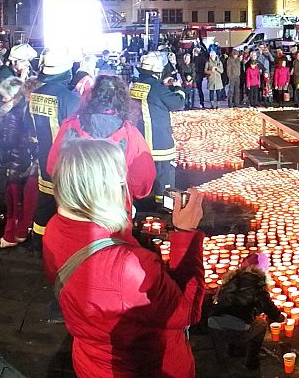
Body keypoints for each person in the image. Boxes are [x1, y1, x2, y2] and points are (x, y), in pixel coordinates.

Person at [42, 138, 206, 378]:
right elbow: (185, 311)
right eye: (122, 180)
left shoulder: (55, 229)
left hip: (91, 362)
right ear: (107, 189)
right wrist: (185, 235)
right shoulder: (128, 266)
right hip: (144, 367)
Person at [48, 75, 155, 215]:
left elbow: (52, 167)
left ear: (91, 97)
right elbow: (142, 182)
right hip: (112, 214)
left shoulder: (70, 126)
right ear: (122, 101)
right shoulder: (130, 134)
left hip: (73, 210)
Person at [29, 47, 82, 245]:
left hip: (43, 159)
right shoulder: (70, 98)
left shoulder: (35, 95)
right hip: (65, 163)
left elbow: (29, 125)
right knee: (66, 206)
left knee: (44, 202)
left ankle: (38, 241)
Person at [207, 252, 284, 372]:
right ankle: (251, 362)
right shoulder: (257, 283)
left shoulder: (231, 279)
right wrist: (279, 317)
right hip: (236, 330)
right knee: (261, 324)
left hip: (214, 327)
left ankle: (233, 350)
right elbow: (268, 307)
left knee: (235, 317)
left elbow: (219, 300)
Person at [0, 77, 36, 248]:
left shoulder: (13, 114)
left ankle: (12, 235)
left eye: (4, 96)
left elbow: (9, 141)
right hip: (26, 158)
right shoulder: (25, 109)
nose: (2, 99)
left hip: (16, 160)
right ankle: (20, 232)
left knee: (14, 199)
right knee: (21, 200)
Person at [130, 52, 185, 199]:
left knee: (143, 174)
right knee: (164, 174)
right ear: (158, 71)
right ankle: (163, 205)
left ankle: (142, 201)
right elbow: (178, 103)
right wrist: (178, 88)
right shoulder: (157, 88)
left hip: (140, 141)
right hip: (159, 142)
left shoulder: (135, 86)